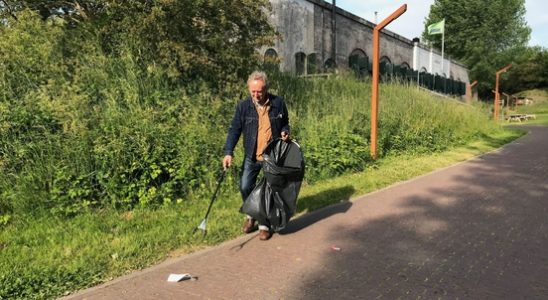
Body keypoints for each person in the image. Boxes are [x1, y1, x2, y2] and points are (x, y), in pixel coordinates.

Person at [222, 71, 290, 241]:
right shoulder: (243, 107)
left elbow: (285, 123)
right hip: (251, 156)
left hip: (271, 157)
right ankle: (250, 215)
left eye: (259, 91)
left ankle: (263, 224)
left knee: (267, 192)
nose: (256, 94)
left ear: (265, 88)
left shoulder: (278, 103)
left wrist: (285, 131)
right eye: (253, 91)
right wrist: (228, 152)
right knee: (245, 187)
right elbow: (234, 130)